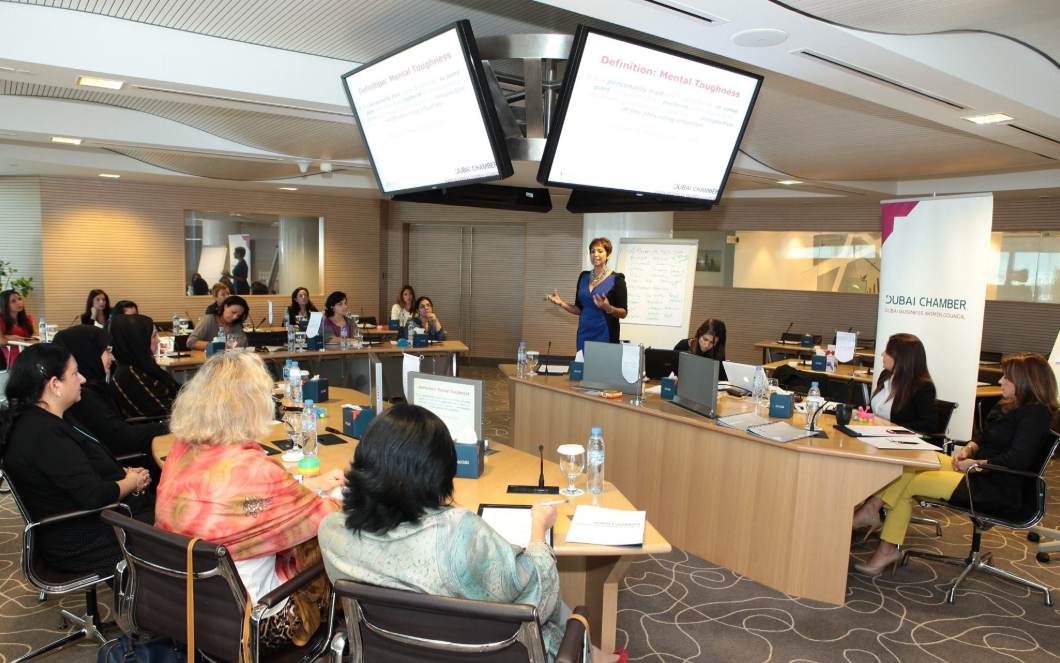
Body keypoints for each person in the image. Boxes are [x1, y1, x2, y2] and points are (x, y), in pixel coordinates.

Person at [319, 404, 625, 663]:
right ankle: (597, 655)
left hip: (394, 651)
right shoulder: (460, 535)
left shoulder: (331, 533)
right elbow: (538, 594)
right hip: (478, 653)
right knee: (559, 610)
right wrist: (538, 529)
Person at [156, 351, 343, 648]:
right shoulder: (254, 472)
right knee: (338, 559)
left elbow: (236, 499)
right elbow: (326, 519)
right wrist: (339, 496)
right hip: (252, 623)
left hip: (181, 605)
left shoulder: (182, 453)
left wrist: (303, 484)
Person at [851, 352, 1057, 577]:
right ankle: (872, 512)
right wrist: (969, 449)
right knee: (914, 459)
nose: (1000, 381)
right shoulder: (1010, 404)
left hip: (995, 483)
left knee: (909, 484)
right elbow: (985, 436)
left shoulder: (1035, 415)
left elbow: (1017, 460)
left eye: (1007, 377)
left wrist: (974, 464)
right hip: (979, 470)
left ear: (1026, 381)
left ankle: (885, 546)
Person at [0, 343, 153, 579]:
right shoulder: (45, 434)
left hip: (81, 523)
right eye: (74, 373)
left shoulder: (41, 419)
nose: (82, 379)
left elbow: (72, 469)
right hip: (79, 538)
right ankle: (156, 607)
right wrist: (132, 482)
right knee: (176, 517)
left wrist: (120, 471)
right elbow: (94, 496)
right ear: (54, 385)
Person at [54, 325, 167, 456]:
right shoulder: (82, 396)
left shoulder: (94, 386)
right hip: (127, 463)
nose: (112, 357)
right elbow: (122, 438)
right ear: (89, 352)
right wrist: (170, 427)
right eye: (107, 351)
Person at [547, 237, 628, 352]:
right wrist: (561, 303)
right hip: (584, 331)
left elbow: (623, 313)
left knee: (603, 367)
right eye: (592, 251)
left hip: (605, 331)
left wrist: (608, 308)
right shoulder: (583, 276)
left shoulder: (617, 279)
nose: (595, 254)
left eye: (600, 251)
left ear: (608, 255)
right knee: (583, 366)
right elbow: (579, 309)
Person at [110, 314, 182, 418]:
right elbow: (165, 410)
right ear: (138, 340)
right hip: (164, 429)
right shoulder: (129, 374)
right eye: (154, 336)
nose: (158, 340)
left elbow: (178, 391)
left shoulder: (143, 365)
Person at [869, 333, 938, 434]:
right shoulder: (886, 375)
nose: (882, 354)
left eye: (888, 352)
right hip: (875, 434)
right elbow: (871, 408)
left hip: (900, 442)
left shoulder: (921, 386)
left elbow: (930, 424)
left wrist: (891, 427)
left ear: (901, 357)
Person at [1, 289, 34, 367]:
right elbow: (1, 341)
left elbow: (36, 335)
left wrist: (14, 338)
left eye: (19, 299)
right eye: (13, 301)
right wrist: (24, 339)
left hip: (31, 352)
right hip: (15, 357)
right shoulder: (1, 319)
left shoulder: (28, 318)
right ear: (6, 305)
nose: (19, 302)